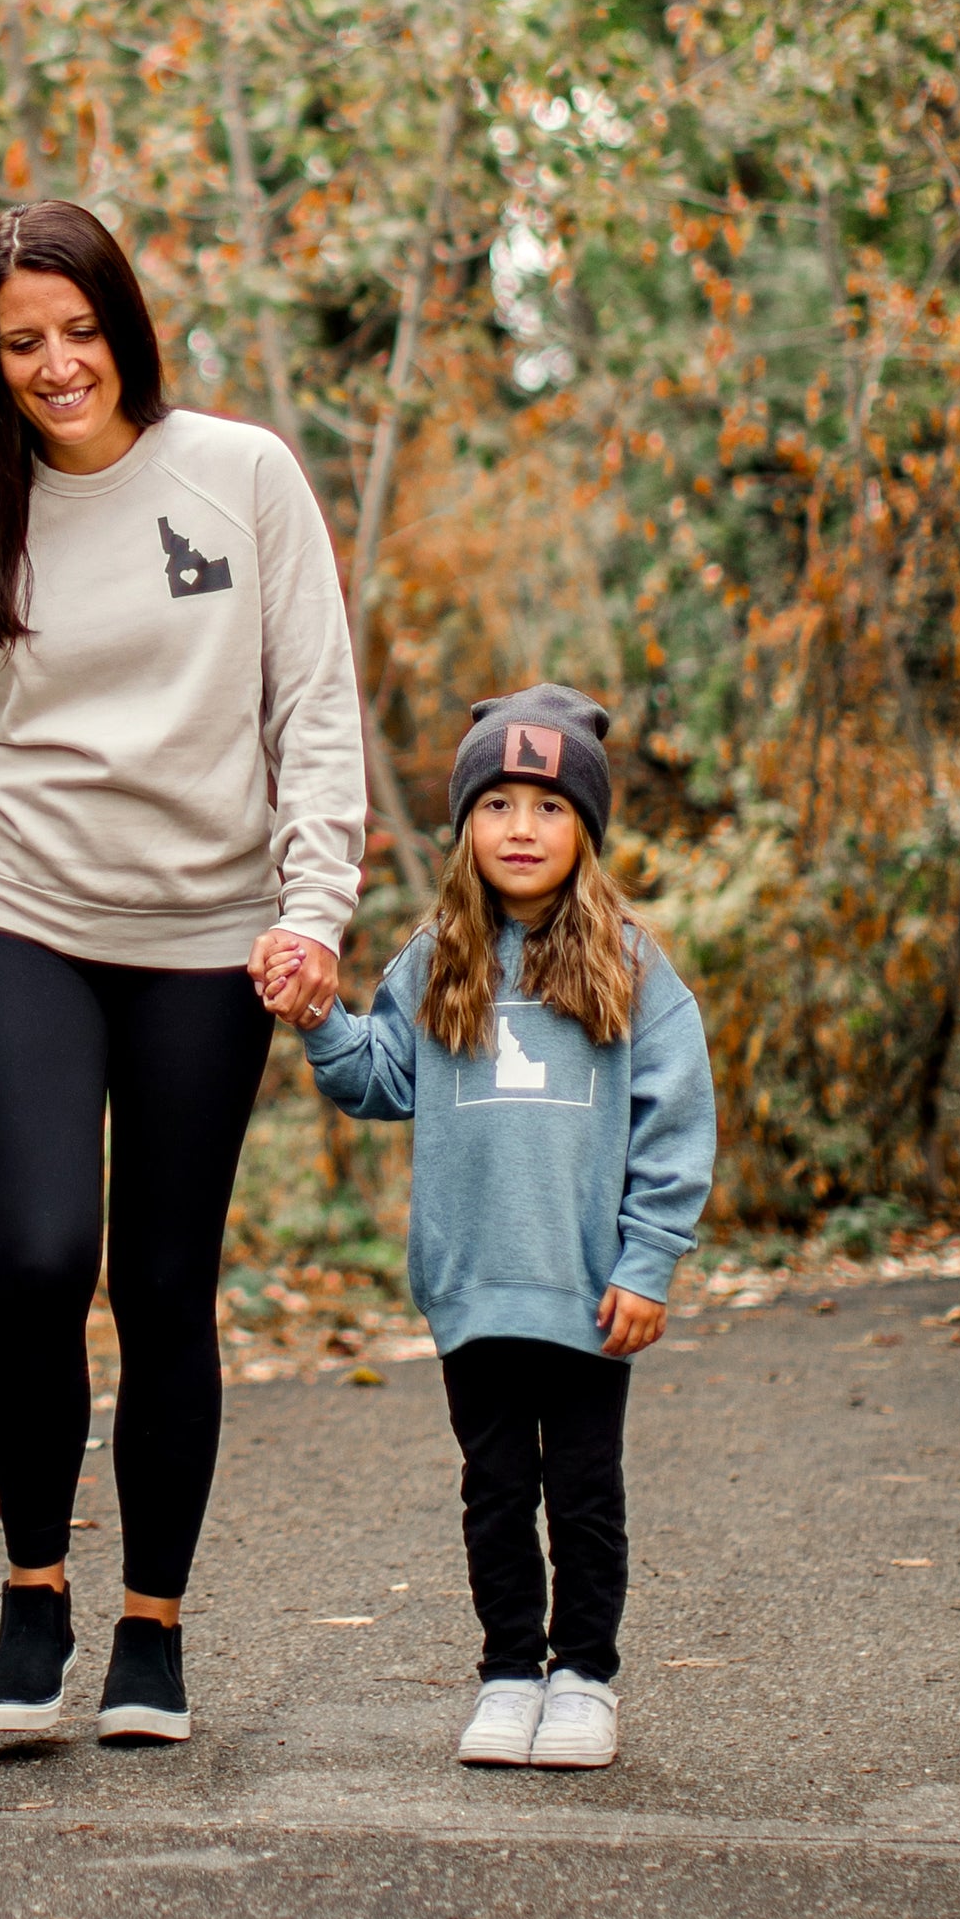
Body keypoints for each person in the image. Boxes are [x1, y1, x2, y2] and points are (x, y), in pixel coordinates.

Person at [0, 198, 366, 1746]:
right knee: (37, 1252)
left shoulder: (239, 476)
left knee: (162, 1284)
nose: (55, 363)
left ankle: (150, 1623)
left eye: (78, 330)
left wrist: (315, 901)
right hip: (24, 921)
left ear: (123, 323)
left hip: (207, 939)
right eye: (22, 341)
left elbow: (315, 704)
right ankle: (31, 1593)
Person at [262, 685, 715, 1771]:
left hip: (584, 1285)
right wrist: (321, 1020)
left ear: (585, 831)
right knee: (496, 1491)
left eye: (549, 808)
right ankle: (509, 1670)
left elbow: (673, 1125)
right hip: (472, 1285)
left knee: (585, 1494)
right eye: (498, 803)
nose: (521, 827)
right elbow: (380, 1081)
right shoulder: (435, 959)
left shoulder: (630, 966)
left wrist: (647, 1260)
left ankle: (584, 1679)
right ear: (464, 823)